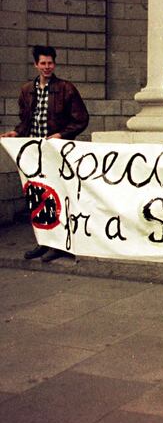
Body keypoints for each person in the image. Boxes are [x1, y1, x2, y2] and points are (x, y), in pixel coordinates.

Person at [1, 45, 89, 262]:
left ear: (54, 64)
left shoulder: (66, 88)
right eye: (43, 63)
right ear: (36, 64)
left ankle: (61, 244)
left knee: (58, 195)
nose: (47, 67)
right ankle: (44, 241)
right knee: (38, 196)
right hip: (34, 153)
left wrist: (61, 134)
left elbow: (81, 119)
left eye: (50, 63)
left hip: (56, 152)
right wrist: (16, 132)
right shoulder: (26, 90)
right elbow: (26, 121)